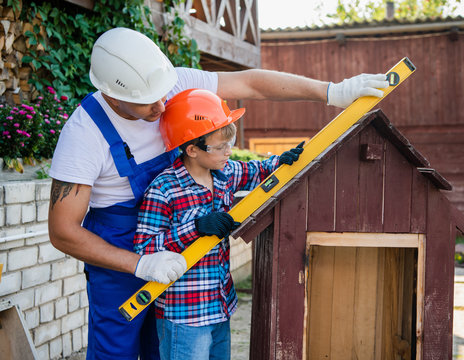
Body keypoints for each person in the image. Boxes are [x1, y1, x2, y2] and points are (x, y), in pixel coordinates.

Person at [47, 27, 388, 360]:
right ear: (112, 95)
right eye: (147, 103)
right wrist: (140, 263)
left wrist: (332, 91)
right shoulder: (84, 135)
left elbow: (251, 82)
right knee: (116, 352)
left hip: (185, 255)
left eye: (162, 95)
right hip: (120, 253)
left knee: (163, 346)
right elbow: (63, 231)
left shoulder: (169, 83)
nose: (162, 106)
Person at [134, 88, 303, 359]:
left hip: (219, 304)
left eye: (230, 143)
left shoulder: (225, 172)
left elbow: (257, 170)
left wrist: (279, 162)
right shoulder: (163, 189)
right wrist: (196, 228)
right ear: (192, 149)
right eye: (221, 146)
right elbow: (144, 249)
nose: (229, 151)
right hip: (184, 313)